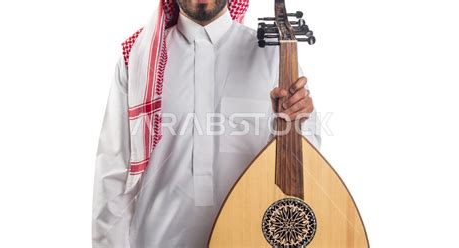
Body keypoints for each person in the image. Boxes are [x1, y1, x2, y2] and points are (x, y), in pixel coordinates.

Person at [92, 0, 321, 247]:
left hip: (249, 238)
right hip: (157, 239)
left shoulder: (273, 55)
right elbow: (114, 172)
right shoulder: (139, 58)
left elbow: (306, 168)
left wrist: (294, 124)